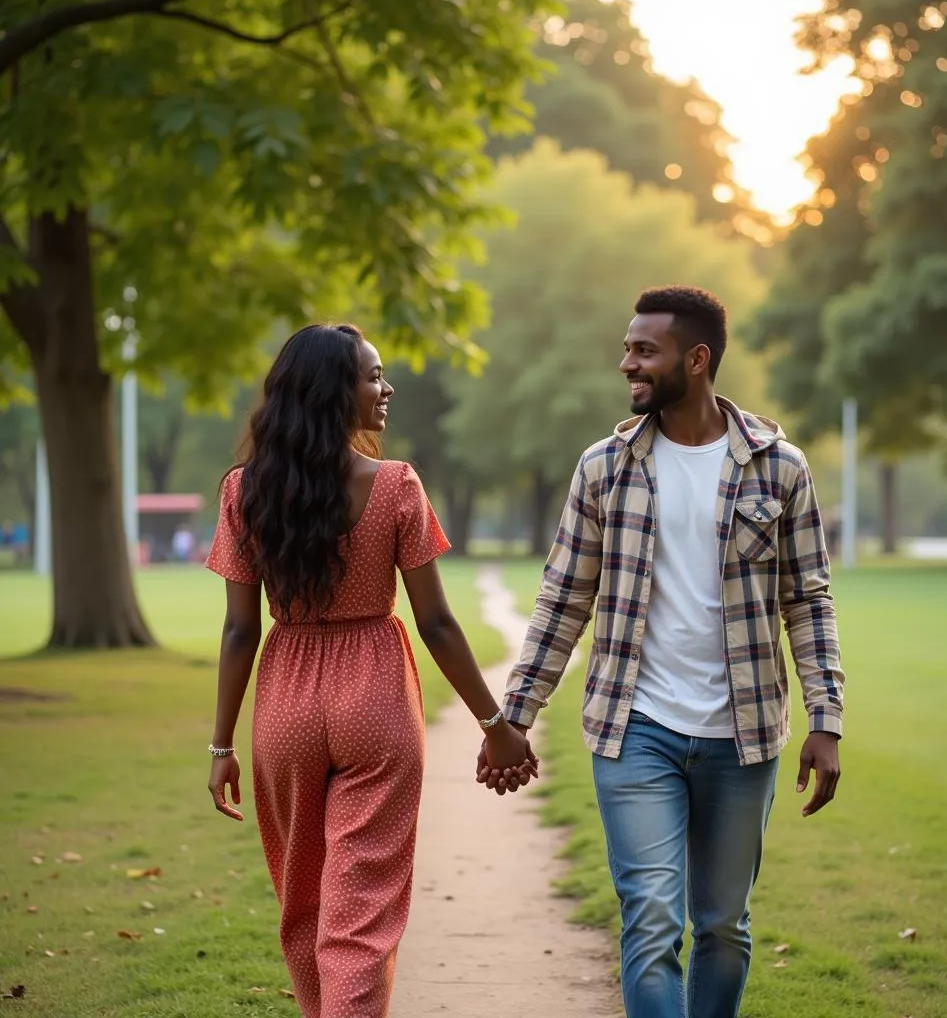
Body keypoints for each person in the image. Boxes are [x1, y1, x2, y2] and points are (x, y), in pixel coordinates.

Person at [478, 286, 845, 1018]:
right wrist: (513, 714)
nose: (627, 364)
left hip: (743, 737)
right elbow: (563, 600)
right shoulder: (603, 469)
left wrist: (826, 718)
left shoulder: (780, 468)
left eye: (644, 351)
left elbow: (808, 600)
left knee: (723, 928)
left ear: (697, 359)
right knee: (650, 922)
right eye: (628, 349)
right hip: (633, 728)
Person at [205, 323, 537, 1018]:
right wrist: (495, 723)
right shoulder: (394, 486)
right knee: (360, 919)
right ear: (335, 390)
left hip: (286, 702)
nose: (386, 389)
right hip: (376, 700)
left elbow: (240, 630)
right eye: (373, 376)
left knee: (304, 903)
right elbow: (437, 622)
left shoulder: (244, 492)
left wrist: (221, 745)